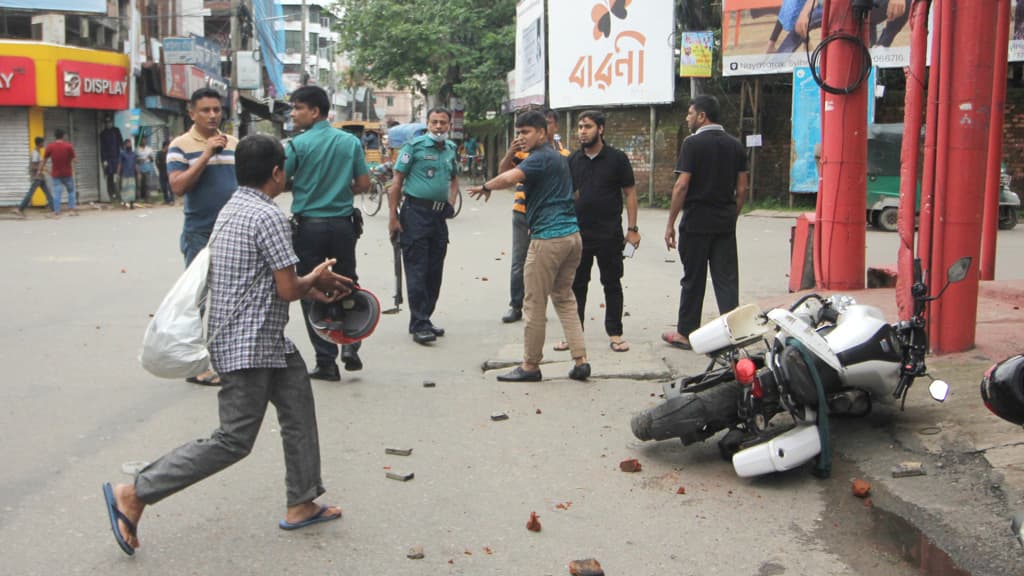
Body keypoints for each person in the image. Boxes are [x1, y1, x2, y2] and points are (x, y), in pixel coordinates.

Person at [102, 134, 355, 557]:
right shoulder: (269, 217)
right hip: (249, 343)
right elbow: (288, 288)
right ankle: (136, 492)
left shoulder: (233, 207)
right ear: (277, 173)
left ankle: (302, 502)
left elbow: (263, 280)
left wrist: (307, 287)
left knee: (297, 411)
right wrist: (316, 279)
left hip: (263, 339)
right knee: (233, 439)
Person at [468, 111, 590, 382]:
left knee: (534, 303)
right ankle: (580, 360)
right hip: (572, 237)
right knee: (565, 297)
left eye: (526, 132)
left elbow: (509, 178)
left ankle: (530, 366)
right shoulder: (558, 158)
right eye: (519, 132)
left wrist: (486, 186)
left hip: (548, 240)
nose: (521, 137)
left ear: (542, 133)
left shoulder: (540, 158)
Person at [286, 85, 371, 380]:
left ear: (315, 111)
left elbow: (280, 180)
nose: (293, 114)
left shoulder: (296, 145)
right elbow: (363, 183)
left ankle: (326, 361)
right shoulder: (349, 143)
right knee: (346, 283)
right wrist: (338, 191)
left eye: (298, 108)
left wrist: (305, 187)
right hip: (342, 226)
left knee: (311, 289)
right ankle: (351, 346)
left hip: (308, 227)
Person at [662, 95, 749, 350]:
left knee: (693, 279)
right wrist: (732, 214)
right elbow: (742, 188)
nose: (687, 118)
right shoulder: (736, 145)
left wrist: (670, 222)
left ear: (702, 116)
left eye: (690, 114)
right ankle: (734, 333)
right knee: (726, 280)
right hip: (724, 223)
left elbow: (682, 185)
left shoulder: (693, 143)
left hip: (696, 222)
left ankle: (685, 333)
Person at [562, 109, 639, 353]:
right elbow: (565, 195)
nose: (582, 132)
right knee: (577, 285)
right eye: (580, 127)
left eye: (587, 127)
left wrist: (633, 229)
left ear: (601, 129)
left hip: (609, 235)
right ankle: (574, 335)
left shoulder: (617, 159)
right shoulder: (572, 161)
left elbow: (630, 193)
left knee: (612, 283)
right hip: (579, 234)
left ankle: (615, 333)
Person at [388, 107, 460, 344]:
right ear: (427, 124)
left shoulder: (450, 149)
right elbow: (396, 182)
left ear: (449, 125)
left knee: (434, 273)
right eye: (434, 122)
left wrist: (450, 203)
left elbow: (454, 180)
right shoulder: (414, 147)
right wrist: (393, 217)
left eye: (443, 123)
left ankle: (424, 318)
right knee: (417, 271)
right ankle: (419, 324)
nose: (439, 127)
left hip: (438, 219)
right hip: (415, 214)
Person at [498, 109, 570, 324]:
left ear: (553, 128)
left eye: (547, 125)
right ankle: (516, 305)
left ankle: (540, 306)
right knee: (519, 261)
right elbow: (503, 174)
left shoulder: (563, 154)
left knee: (547, 264)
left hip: (549, 216)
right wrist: (510, 153)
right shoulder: (522, 151)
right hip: (522, 213)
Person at [168, 87, 238, 267]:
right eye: (205, 110)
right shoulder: (180, 145)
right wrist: (206, 155)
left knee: (231, 288)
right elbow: (177, 187)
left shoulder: (233, 143)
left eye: (217, 109)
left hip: (232, 231)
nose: (212, 115)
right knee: (197, 291)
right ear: (192, 114)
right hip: (199, 232)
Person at [13, 137, 56, 219]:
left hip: (40, 177)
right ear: (39, 143)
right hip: (37, 177)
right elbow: (34, 165)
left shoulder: (37, 152)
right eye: (43, 142)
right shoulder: (35, 153)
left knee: (48, 193)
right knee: (30, 194)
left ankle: (54, 211)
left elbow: (40, 165)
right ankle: (19, 209)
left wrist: (47, 171)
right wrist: (42, 169)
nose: (44, 144)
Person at [41, 128, 78, 216]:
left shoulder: (50, 146)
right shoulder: (68, 146)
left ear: (55, 136)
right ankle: (71, 210)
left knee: (57, 193)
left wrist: (40, 169)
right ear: (63, 136)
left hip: (56, 174)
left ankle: (56, 211)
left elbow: (44, 160)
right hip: (67, 173)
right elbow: (75, 160)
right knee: (71, 191)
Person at [100, 115, 123, 204]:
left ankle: (119, 195)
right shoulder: (103, 134)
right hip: (108, 159)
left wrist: (121, 157)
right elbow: (102, 148)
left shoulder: (116, 131)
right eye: (106, 122)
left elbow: (120, 144)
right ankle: (111, 196)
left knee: (118, 176)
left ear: (112, 122)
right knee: (109, 177)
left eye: (109, 122)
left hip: (116, 158)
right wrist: (104, 160)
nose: (108, 124)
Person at [117, 139, 139, 209]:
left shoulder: (133, 154)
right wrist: (118, 174)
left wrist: (138, 173)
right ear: (125, 145)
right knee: (124, 189)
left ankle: (131, 204)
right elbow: (120, 164)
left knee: (132, 190)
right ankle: (124, 203)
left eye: (130, 143)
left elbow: (135, 164)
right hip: (124, 174)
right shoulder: (122, 154)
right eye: (128, 143)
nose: (129, 145)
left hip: (132, 174)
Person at [136, 137, 156, 202]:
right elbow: (134, 159)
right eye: (142, 140)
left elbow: (152, 159)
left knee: (147, 184)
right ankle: (139, 198)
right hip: (139, 168)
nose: (144, 142)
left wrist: (150, 158)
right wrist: (139, 160)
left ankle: (147, 198)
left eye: (145, 140)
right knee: (139, 184)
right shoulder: (137, 149)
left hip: (147, 167)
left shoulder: (149, 149)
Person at [156, 139, 173, 205]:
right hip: (162, 172)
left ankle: (172, 199)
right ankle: (166, 200)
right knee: (164, 187)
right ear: (165, 146)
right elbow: (157, 162)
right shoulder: (159, 153)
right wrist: (159, 169)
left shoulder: (170, 153)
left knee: (170, 187)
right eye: (168, 146)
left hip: (169, 172)